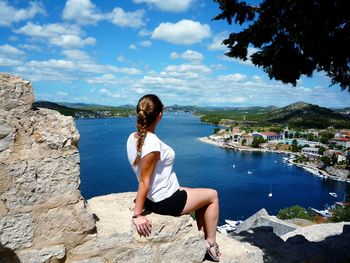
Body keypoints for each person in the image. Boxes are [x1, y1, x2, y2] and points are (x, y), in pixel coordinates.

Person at [126, 94, 221, 262]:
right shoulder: (152, 143)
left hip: (155, 197)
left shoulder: (132, 137)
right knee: (212, 195)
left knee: (195, 193)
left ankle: (199, 238)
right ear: (160, 115)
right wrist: (136, 215)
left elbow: (145, 177)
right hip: (164, 201)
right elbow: (144, 180)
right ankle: (211, 244)